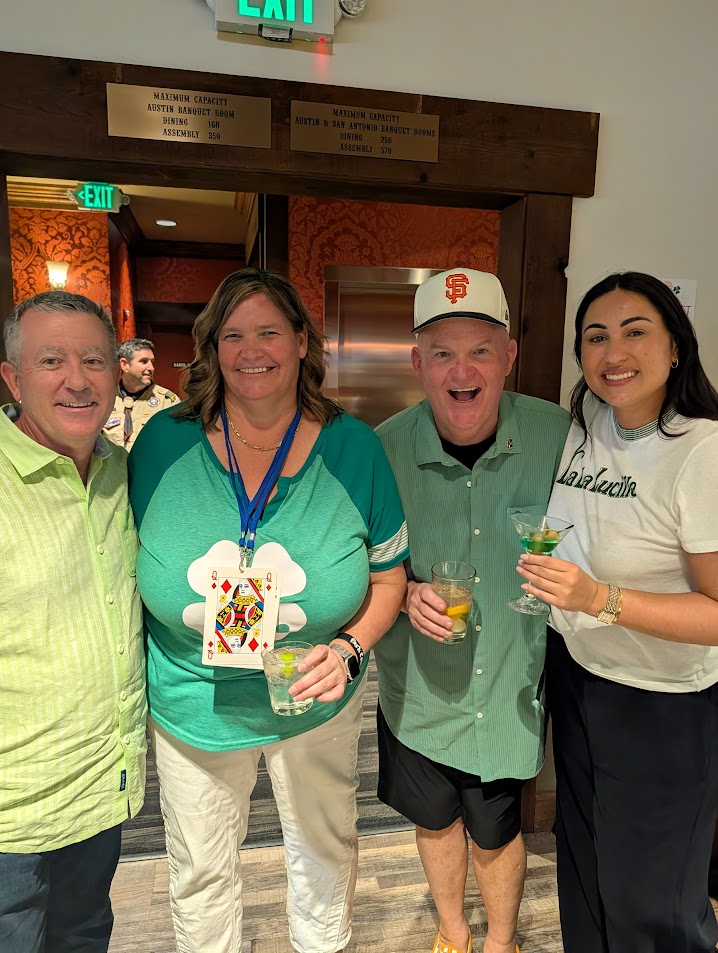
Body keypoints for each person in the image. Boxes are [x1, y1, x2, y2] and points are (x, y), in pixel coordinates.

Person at [128, 267, 408, 953]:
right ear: (212, 347)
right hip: (192, 700)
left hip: (313, 695)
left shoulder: (355, 448)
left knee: (324, 856)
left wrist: (348, 650)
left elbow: (390, 577)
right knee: (200, 870)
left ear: (302, 341)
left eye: (269, 332)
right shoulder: (162, 442)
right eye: (233, 335)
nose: (251, 350)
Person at [517, 271, 718, 953]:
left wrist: (599, 598)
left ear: (676, 346)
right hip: (579, 678)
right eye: (596, 337)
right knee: (585, 870)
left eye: (636, 332)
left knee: (652, 903)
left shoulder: (701, 451)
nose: (614, 353)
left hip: (660, 703)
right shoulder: (588, 425)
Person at [374, 269, 571, 953]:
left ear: (509, 355)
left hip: (509, 683)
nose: (462, 371)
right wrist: (403, 593)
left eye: (480, 350)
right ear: (417, 362)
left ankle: (501, 942)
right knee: (433, 820)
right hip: (420, 686)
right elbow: (353, 563)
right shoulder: (382, 449)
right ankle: (453, 933)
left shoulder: (557, 436)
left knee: (497, 829)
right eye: (443, 353)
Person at [0, 291, 147, 953]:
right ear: (13, 378)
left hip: (99, 789)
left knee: (85, 936)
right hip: (11, 816)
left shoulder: (122, 472)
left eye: (93, 360)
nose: (77, 379)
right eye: (51, 360)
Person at [103, 337, 177, 449]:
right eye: (144, 361)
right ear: (124, 365)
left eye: (152, 362)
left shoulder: (167, 401)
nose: (151, 368)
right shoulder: (104, 398)